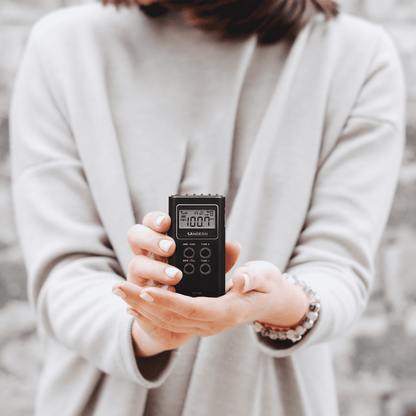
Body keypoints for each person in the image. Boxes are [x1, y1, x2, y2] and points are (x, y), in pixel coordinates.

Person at [10, 0, 405, 415]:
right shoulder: (61, 46)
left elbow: (338, 266)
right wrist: (145, 327)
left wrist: (278, 302)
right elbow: (63, 271)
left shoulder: (357, 56)